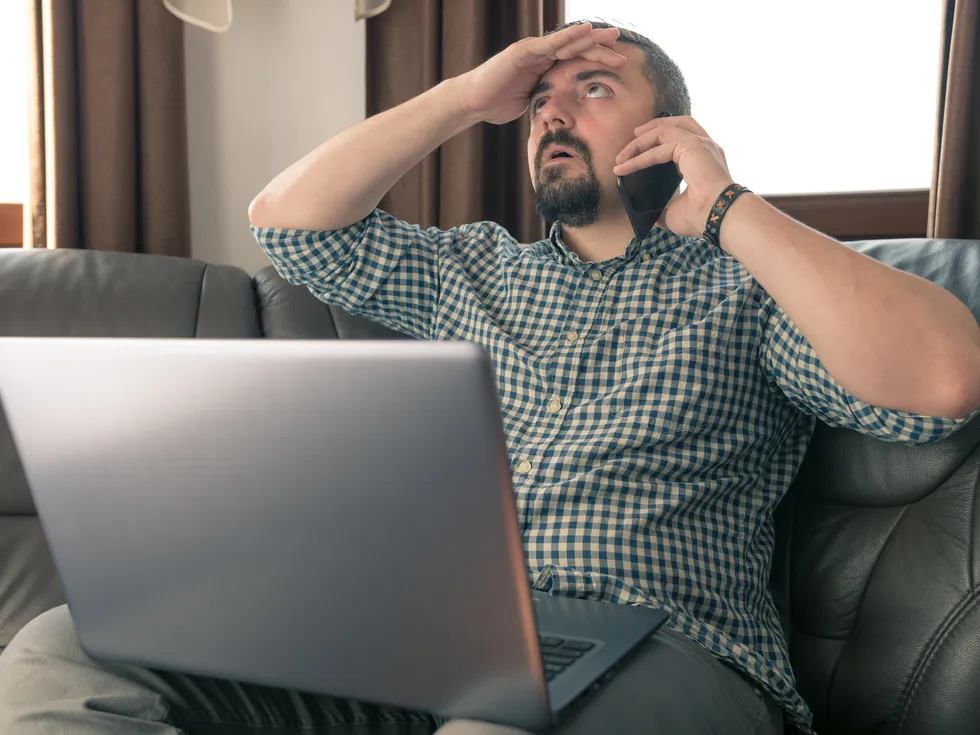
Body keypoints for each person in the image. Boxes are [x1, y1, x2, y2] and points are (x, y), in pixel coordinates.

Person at [2, 19, 979, 735]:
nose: (552, 111)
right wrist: (467, 95)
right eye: (541, 100)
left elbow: (945, 379)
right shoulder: (470, 269)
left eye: (593, 89)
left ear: (670, 128)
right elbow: (287, 225)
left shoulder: (751, 286)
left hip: (657, 643)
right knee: (66, 645)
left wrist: (724, 202)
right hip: (422, 639)